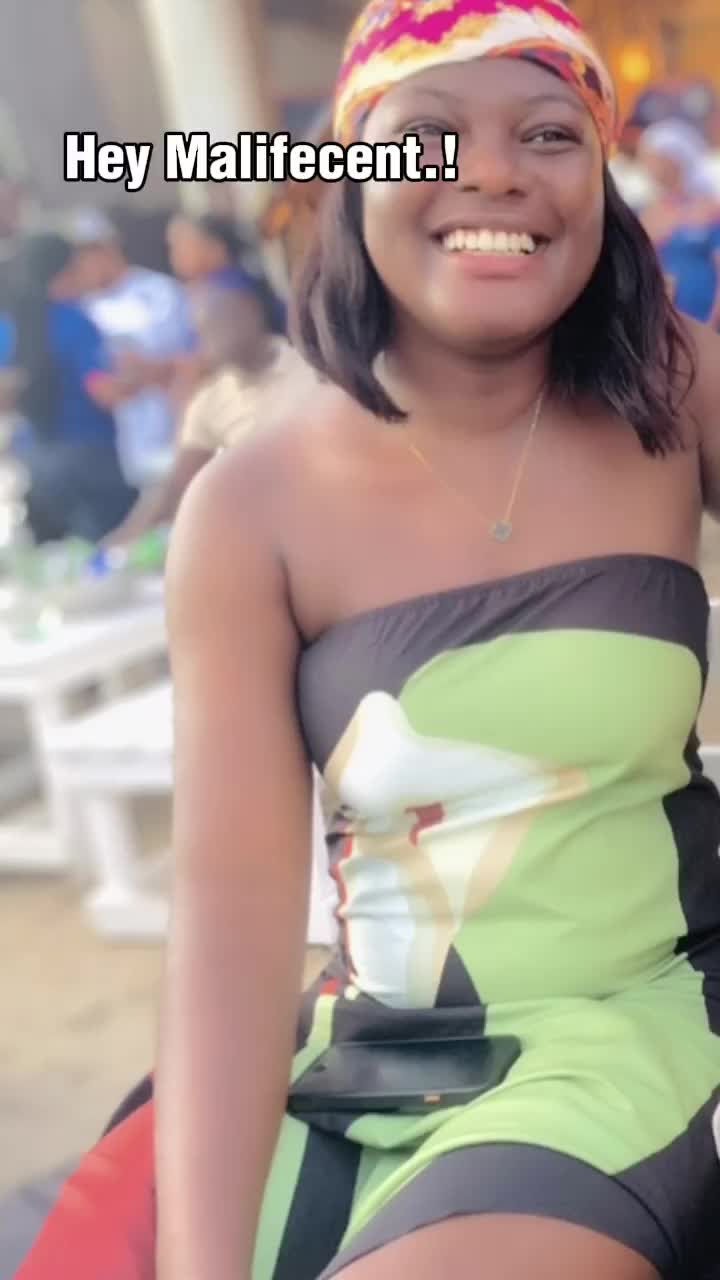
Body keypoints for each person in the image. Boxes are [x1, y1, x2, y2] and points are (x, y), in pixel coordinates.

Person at [17, 2, 720, 1279]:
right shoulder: (251, 505)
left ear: (600, 178)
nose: (492, 171)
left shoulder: (674, 393)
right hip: (377, 1048)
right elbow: (231, 924)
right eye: (429, 134)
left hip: (631, 1016)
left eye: (548, 132)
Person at [103, 279, 316, 545]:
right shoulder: (208, 400)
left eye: (222, 322)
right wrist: (120, 542)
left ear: (251, 312)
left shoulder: (313, 370)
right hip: (262, 533)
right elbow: (176, 486)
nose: (216, 338)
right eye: (205, 331)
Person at [3, 234, 150, 542]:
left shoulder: (10, 327)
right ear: (65, 272)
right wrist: (145, 379)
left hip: (36, 458)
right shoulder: (75, 321)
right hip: (89, 459)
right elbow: (102, 391)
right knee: (115, 548)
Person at [67, 208, 198, 489]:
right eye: (79, 256)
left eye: (92, 252)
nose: (86, 263)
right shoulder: (83, 308)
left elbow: (192, 356)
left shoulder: (160, 291)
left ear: (110, 248)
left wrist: (149, 370)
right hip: (132, 445)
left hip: (179, 427)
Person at [639, 120, 720, 326]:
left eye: (654, 159)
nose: (648, 166)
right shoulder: (650, 211)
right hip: (667, 321)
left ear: (674, 160)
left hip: (706, 319)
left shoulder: (709, 209)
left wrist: (712, 325)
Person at [166, 210, 287, 334]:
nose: (175, 253)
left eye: (182, 244)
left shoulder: (231, 294)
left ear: (216, 248)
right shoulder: (196, 292)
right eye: (173, 246)